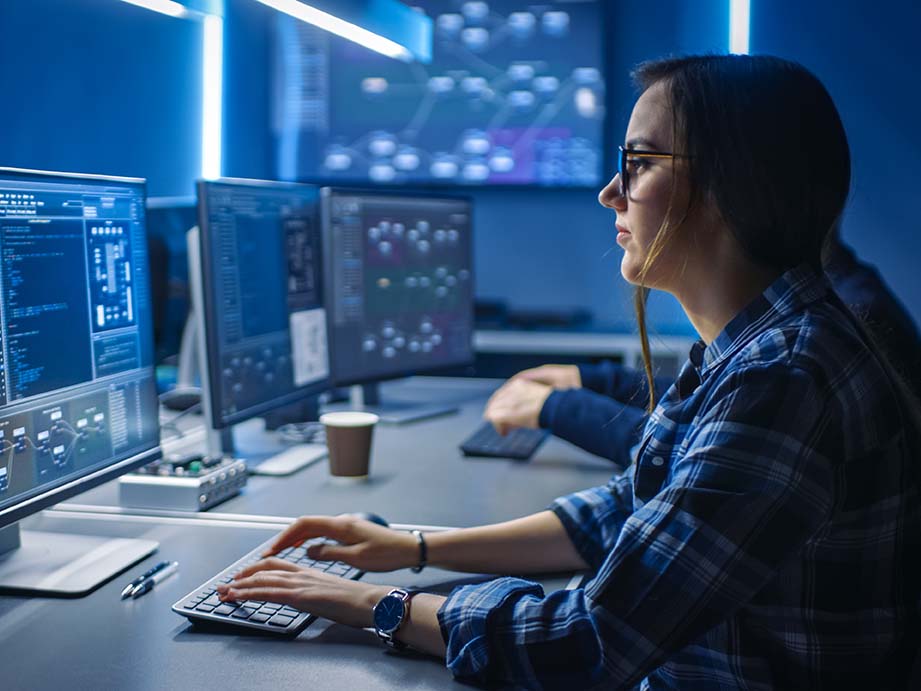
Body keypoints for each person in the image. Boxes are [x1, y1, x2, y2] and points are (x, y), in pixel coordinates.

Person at [218, 55, 921, 688]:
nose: (611, 192)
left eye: (638, 162)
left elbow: (586, 642)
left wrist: (378, 605)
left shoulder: (783, 378)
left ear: (729, 187)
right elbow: (624, 511)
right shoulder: (753, 346)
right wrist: (414, 546)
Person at [483, 234, 921, 470]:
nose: (613, 194)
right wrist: (594, 381)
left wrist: (557, 408)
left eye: (642, 164)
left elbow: (695, 451)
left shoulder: (802, 349)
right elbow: (708, 407)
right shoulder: (828, 295)